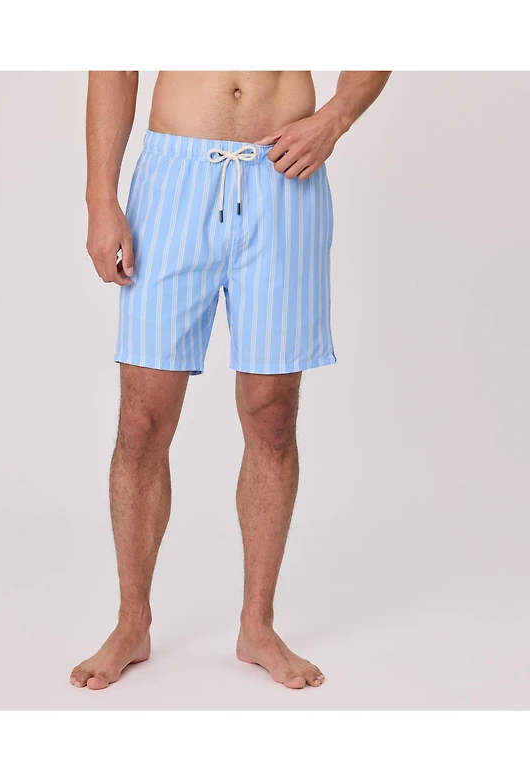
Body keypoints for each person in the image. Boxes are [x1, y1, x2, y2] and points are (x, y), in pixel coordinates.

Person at [71, 71, 390, 690]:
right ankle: (132, 622)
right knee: (142, 421)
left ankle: (257, 626)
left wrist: (335, 118)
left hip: (284, 176)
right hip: (175, 178)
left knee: (272, 416)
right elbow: (116, 63)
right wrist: (100, 199)